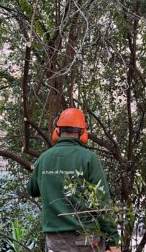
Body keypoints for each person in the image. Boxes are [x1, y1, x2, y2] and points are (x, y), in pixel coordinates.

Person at [27, 108, 121, 252]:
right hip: (84, 240)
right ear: (83, 132)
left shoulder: (44, 158)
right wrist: (113, 239)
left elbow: (32, 190)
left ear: (57, 131)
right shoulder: (89, 158)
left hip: (55, 241)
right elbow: (102, 201)